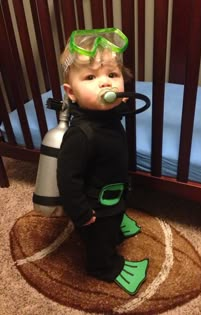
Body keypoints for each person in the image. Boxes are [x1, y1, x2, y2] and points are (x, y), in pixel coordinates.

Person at [57, 28, 148, 295]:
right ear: (70, 92)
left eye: (112, 75)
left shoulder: (108, 117)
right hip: (95, 205)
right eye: (90, 77)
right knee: (100, 237)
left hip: (114, 193)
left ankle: (116, 229)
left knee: (113, 222)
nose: (105, 83)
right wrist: (82, 214)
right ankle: (104, 267)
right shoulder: (81, 135)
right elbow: (67, 178)